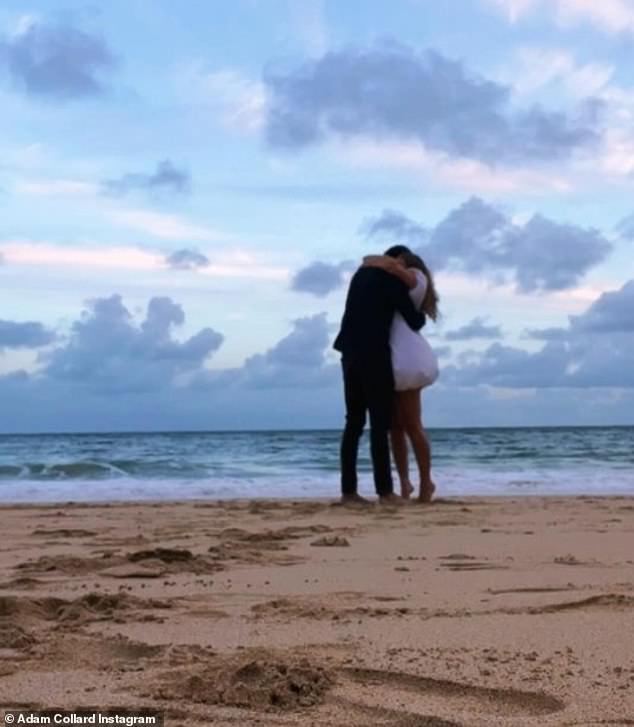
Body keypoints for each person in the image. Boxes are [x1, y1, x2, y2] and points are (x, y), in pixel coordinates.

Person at [333, 245, 427, 505]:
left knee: (353, 423)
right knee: (379, 423)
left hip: (348, 350)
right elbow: (414, 320)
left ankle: (348, 492)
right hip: (374, 353)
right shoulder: (392, 280)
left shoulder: (360, 274)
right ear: (397, 261)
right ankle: (385, 492)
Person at [363, 251, 440, 503]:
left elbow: (394, 269)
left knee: (412, 424)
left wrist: (387, 263)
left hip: (407, 356)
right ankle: (405, 482)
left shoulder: (416, 279)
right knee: (395, 427)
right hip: (391, 355)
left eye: (394, 261)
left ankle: (425, 481)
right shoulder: (394, 287)